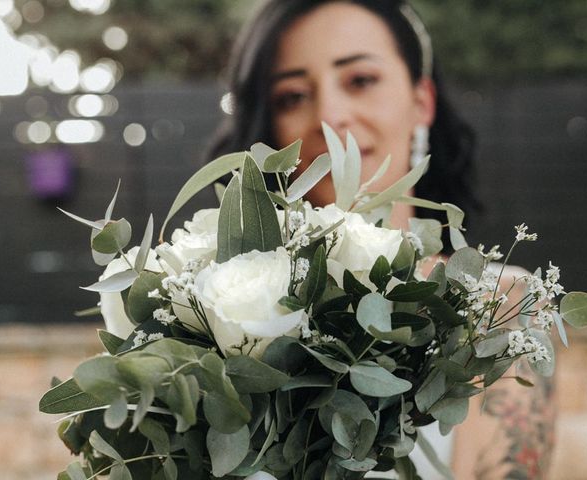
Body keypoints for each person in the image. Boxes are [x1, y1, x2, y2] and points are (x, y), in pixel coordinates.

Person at [207, 1, 555, 478]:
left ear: (421, 101)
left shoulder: (505, 311)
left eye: (360, 80)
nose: (329, 116)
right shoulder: (215, 314)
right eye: (291, 96)